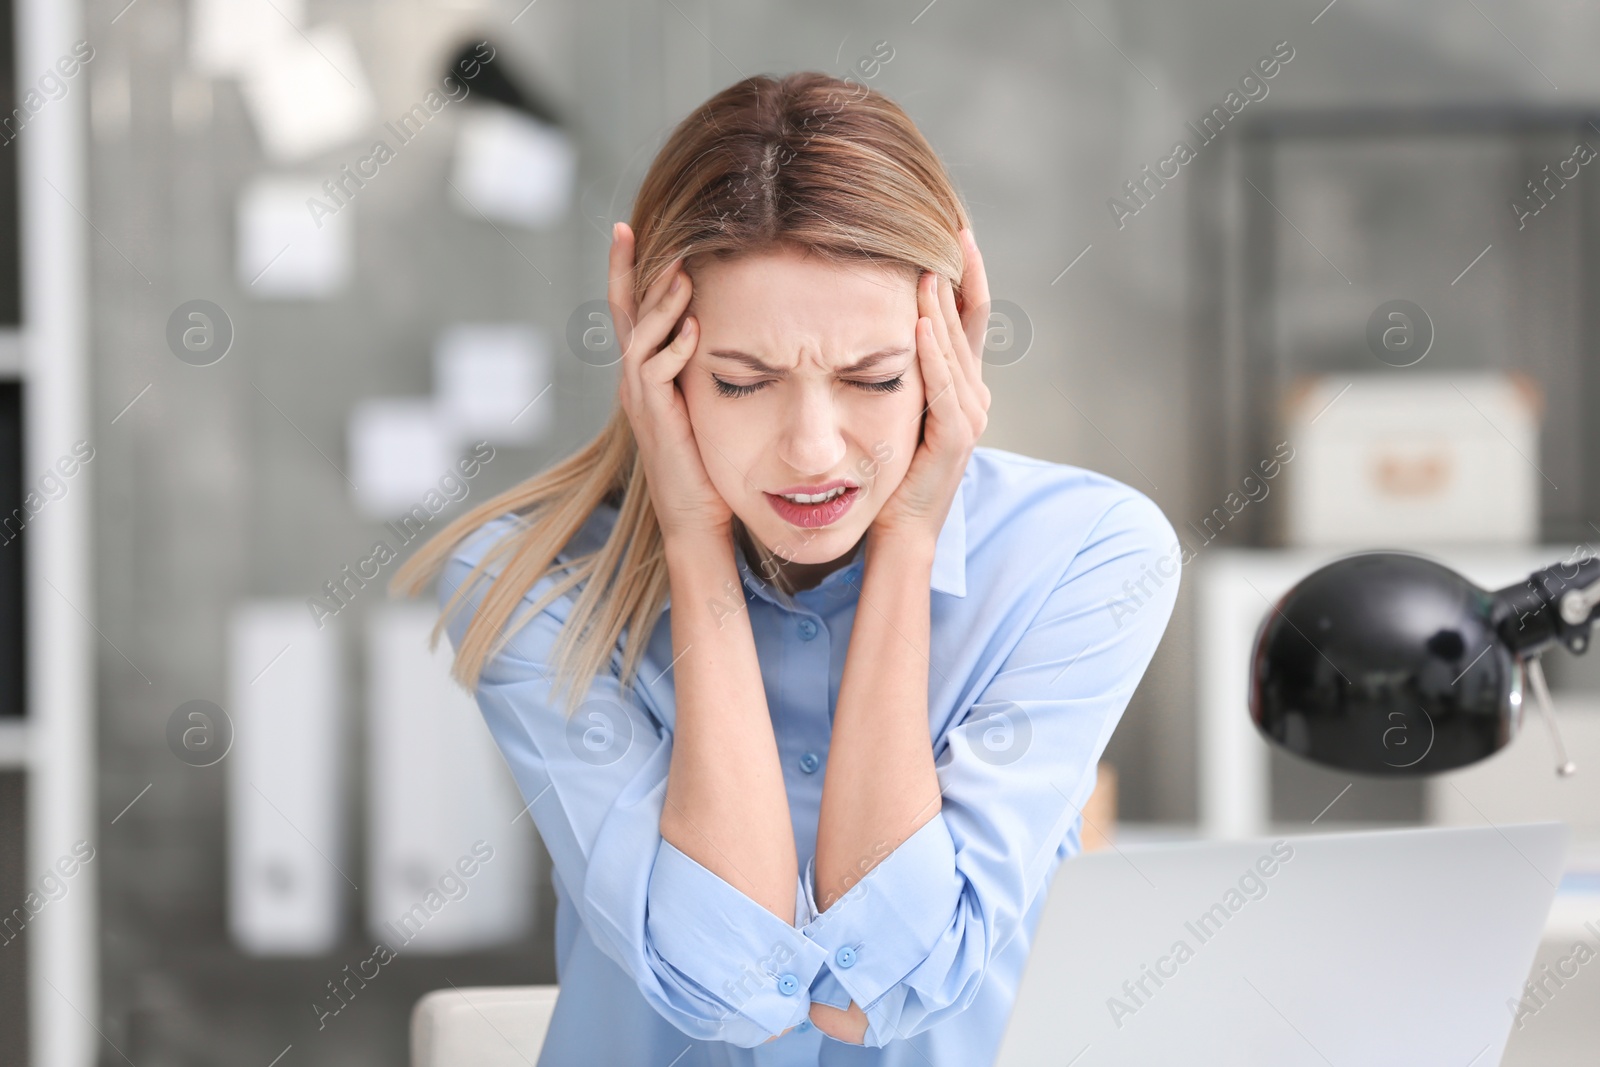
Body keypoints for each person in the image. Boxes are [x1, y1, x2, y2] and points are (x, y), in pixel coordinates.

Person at [391, 70, 1180, 1065]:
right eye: (741, 380)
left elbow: (885, 984)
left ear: (957, 320)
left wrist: (906, 539)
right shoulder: (532, 582)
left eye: (875, 377)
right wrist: (691, 542)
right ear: (645, 328)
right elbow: (732, 989)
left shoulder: (1086, 557)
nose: (812, 450)